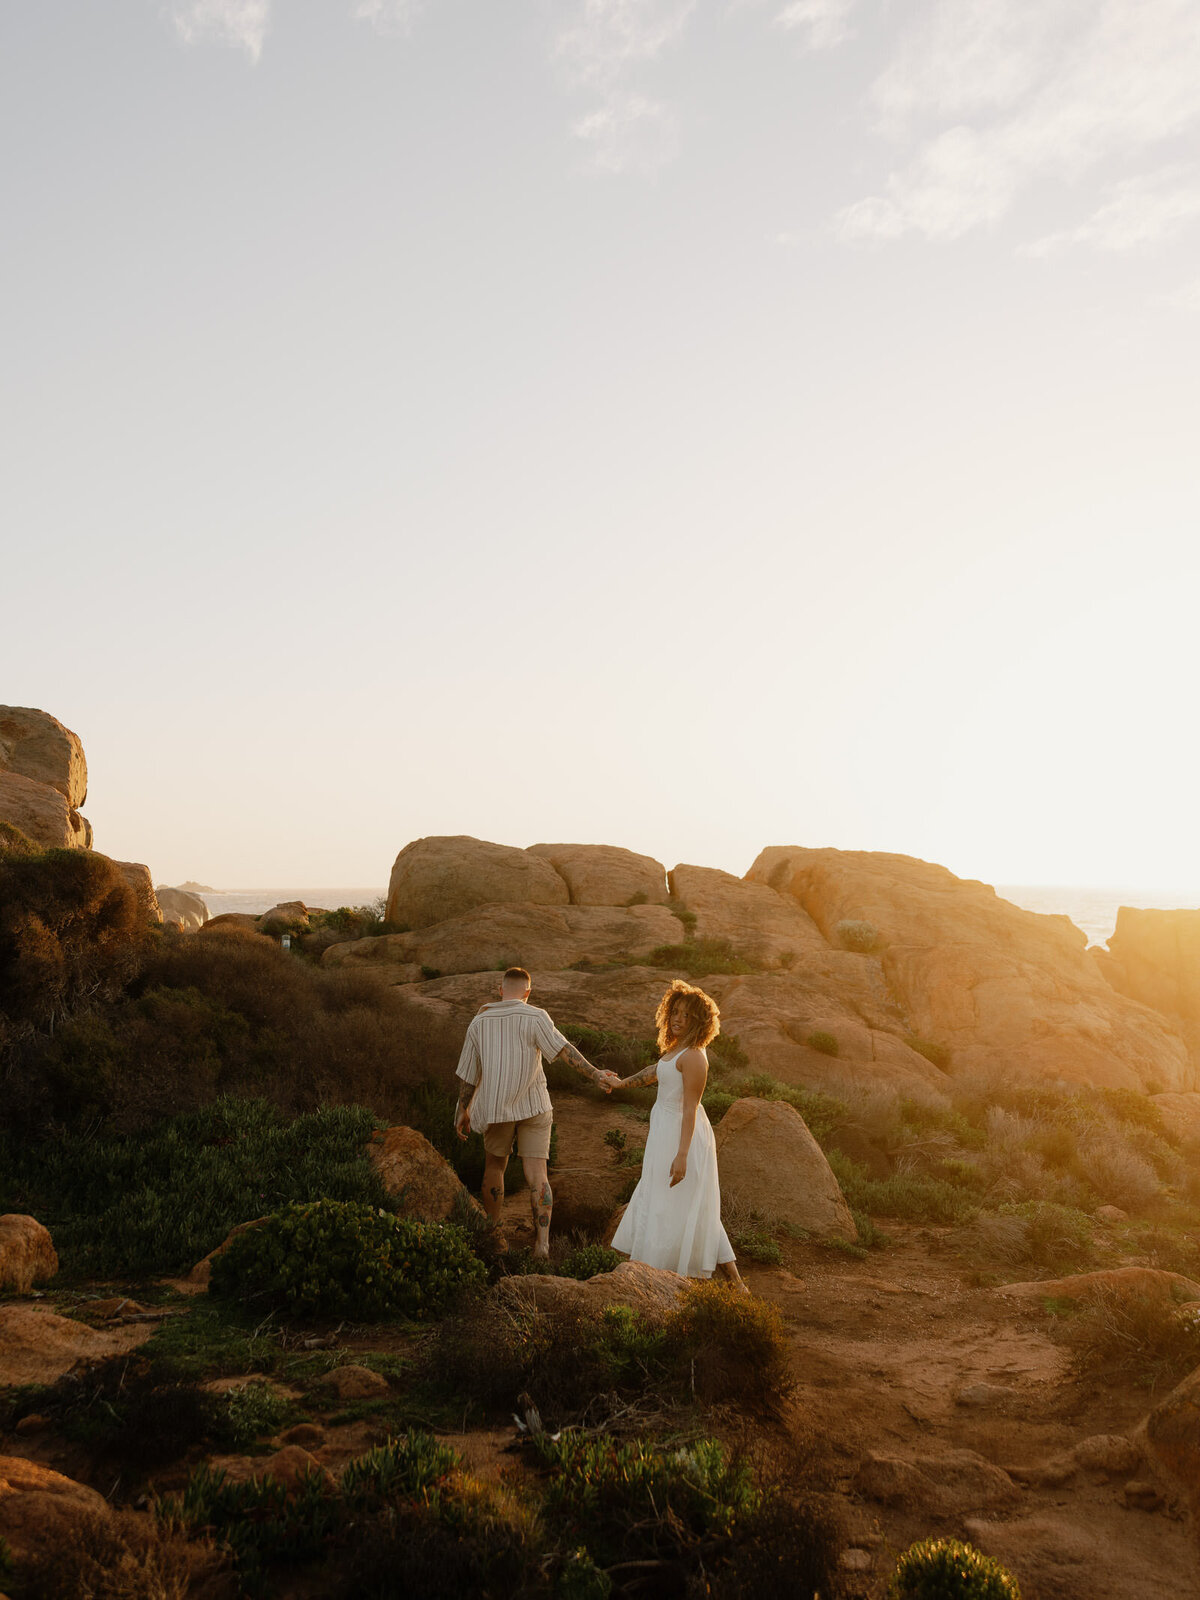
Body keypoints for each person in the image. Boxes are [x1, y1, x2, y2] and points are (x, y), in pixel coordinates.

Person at [454, 966, 619, 1257]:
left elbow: (468, 1074)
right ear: (528, 992)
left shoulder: (478, 1022)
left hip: (495, 1107)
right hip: (534, 1105)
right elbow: (565, 1050)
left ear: (500, 989)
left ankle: (493, 1234)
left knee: (494, 1167)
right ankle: (542, 1244)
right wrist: (595, 1075)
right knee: (537, 1175)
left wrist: (461, 1109)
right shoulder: (536, 1015)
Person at [610, 978, 745, 1286]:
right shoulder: (674, 1051)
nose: (678, 1019)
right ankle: (657, 1271)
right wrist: (620, 1083)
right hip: (664, 1133)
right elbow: (653, 1074)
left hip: (684, 1137)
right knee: (662, 1201)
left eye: (687, 1015)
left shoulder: (695, 1056)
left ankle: (733, 1281)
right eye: (676, 1012)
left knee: (691, 1207)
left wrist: (682, 1155)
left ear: (700, 1021)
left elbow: (690, 1109)